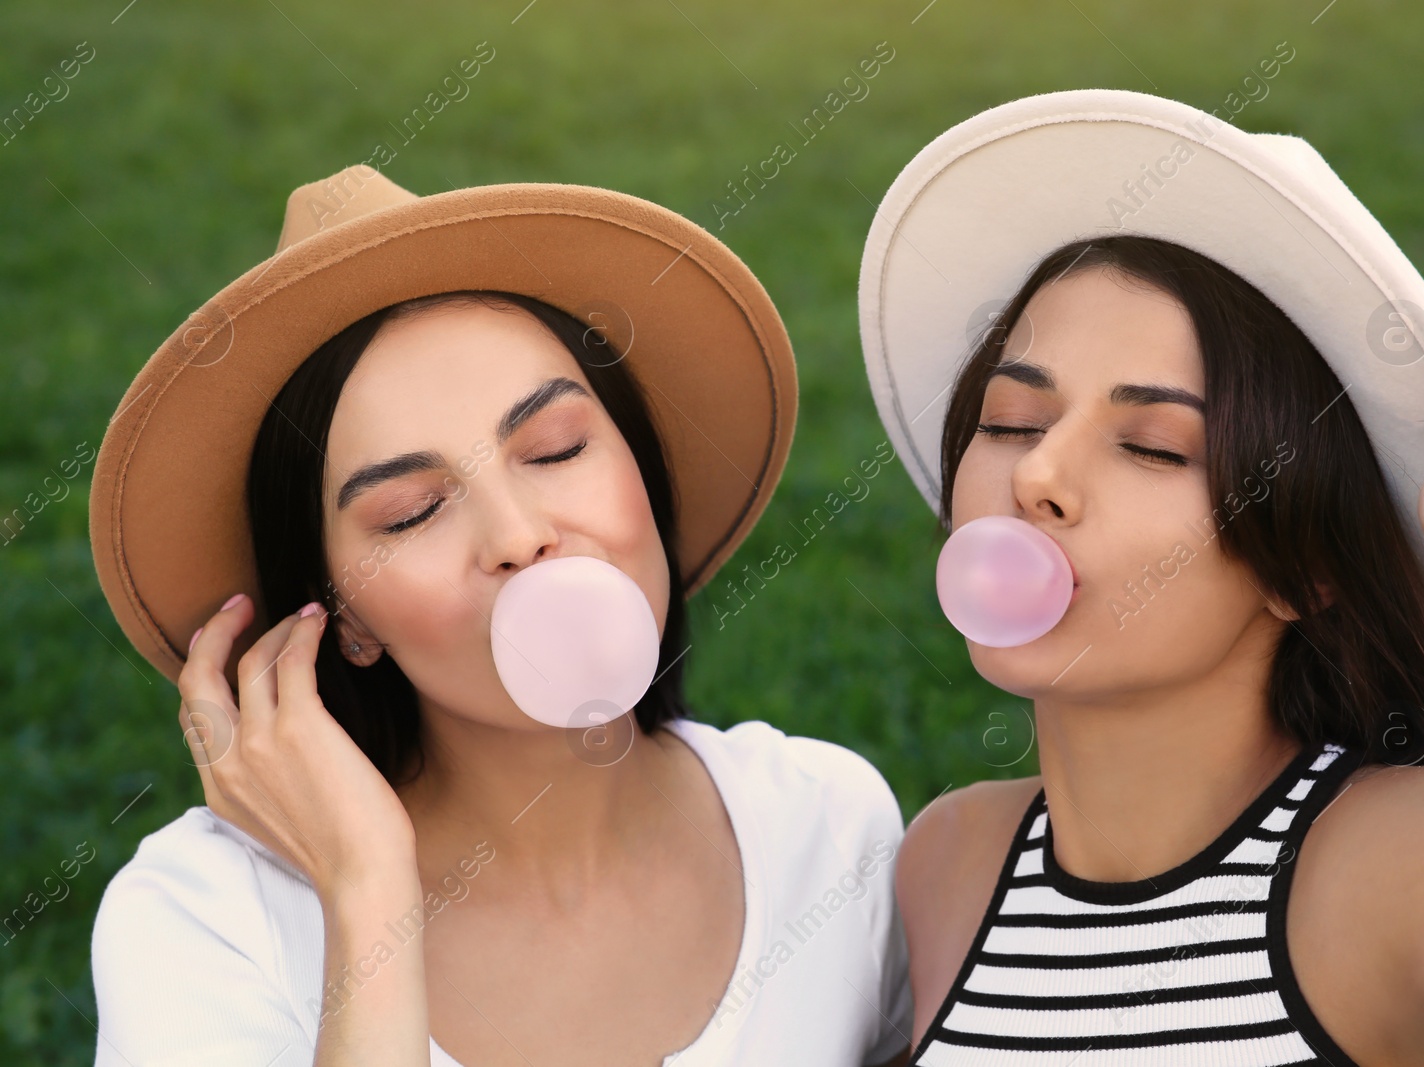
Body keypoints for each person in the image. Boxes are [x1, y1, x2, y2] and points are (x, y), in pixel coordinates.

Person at [87, 166, 912, 1066]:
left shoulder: (832, 828)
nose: (519, 536)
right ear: (344, 619)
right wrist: (367, 891)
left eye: (555, 449)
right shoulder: (208, 915)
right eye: (411, 510)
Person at [857, 90, 1424, 1064]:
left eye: (1153, 446)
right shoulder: (946, 863)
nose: (1036, 475)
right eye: (1010, 421)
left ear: (1305, 566)